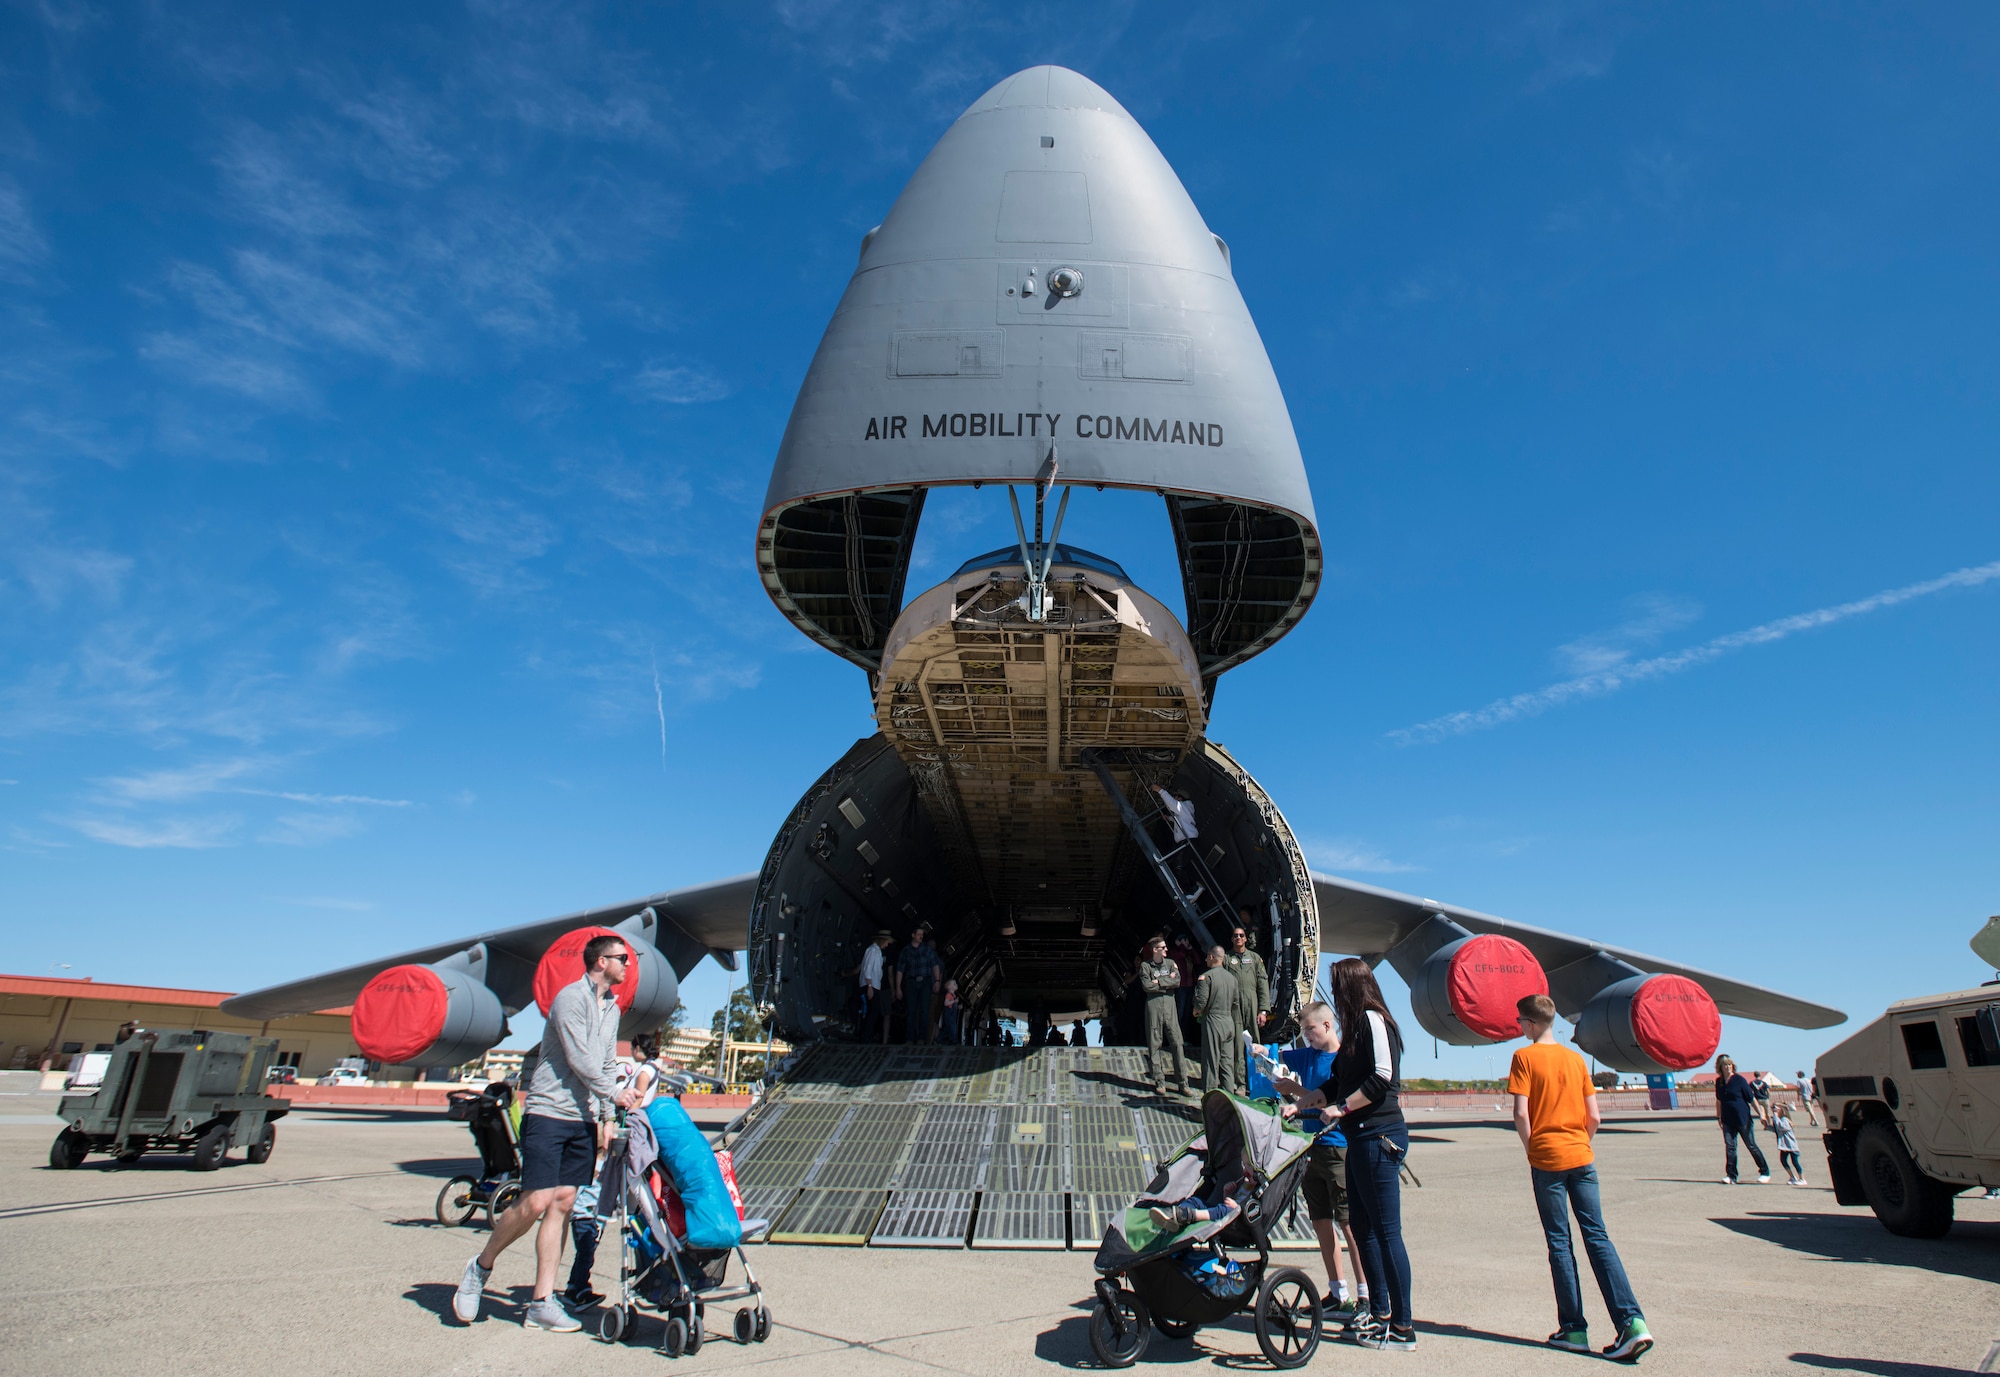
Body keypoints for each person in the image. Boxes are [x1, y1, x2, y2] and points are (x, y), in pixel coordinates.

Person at [455, 934, 640, 1331]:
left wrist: (607, 1115)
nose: (628, 964)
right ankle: (480, 1266)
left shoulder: (611, 1008)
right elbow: (579, 1059)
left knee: (562, 1204)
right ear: (599, 961)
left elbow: (607, 1062)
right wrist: (616, 1093)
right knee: (535, 1201)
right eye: (622, 958)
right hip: (549, 1111)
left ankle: (542, 1301)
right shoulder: (571, 999)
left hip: (584, 1118)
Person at [1509, 994, 1654, 1363]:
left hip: (1547, 1160)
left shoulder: (1524, 1058)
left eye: (1520, 1023)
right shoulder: (1575, 1060)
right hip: (1582, 1157)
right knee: (1598, 1236)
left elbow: (1522, 1115)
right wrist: (1580, 1144)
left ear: (1530, 1024)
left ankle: (1573, 1328)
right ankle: (1632, 1322)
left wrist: (1533, 1150)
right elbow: (1595, 1117)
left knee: (1560, 1244)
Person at [1292, 958, 1412, 1351]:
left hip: (1380, 1136)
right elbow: (1336, 1081)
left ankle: (1403, 1327)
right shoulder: (1356, 1029)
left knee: (1385, 1231)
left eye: (1337, 985)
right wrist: (1304, 1104)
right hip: (1359, 1139)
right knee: (1362, 1229)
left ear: (1352, 986)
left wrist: (1342, 1109)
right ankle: (1378, 1314)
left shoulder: (1375, 1021)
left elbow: (1382, 1077)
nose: (1334, 993)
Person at [1267, 1001, 1362, 1313]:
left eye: (1310, 1030)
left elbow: (1329, 1103)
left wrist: (1294, 1090)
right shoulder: (1307, 1054)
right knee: (1321, 1221)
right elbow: (1273, 1055)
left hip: (1338, 1148)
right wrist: (1256, 1049)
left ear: (1327, 1025)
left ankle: (1366, 1295)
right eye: (1303, 1030)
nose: (1305, 1036)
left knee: (1350, 1224)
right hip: (1311, 1148)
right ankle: (1338, 1292)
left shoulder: (1345, 1060)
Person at [1136, 935, 1190, 1096]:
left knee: (1177, 1043)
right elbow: (1146, 986)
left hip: (1169, 1006)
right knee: (1155, 1044)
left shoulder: (1170, 963)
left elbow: (1177, 982)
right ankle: (1159, 1081)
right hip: (1154, 1007)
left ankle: (1183, 1083)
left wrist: (1158, 982)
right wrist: (1167, 981)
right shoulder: (1146, 966)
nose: (1167, 949)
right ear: (1155, 950)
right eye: (1163, 947)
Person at [1192, 946, 1243, 1094]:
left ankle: (1210, 1103)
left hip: (1213, 1021)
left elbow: (1201, 1003)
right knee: (1227, 1064)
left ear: (1212, 957)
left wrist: (1196, 1010)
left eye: (1207, 956)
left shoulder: (1206, 977)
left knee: (1210, 1062)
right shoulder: (1232, 979)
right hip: (1228, 1022)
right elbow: (1235, 1004)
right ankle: (1230, 1102)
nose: (1206, 959)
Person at [1713, 1055, 1771, 1184]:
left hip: (1743, 1119)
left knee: (1751, 1145)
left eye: (1729, 1065)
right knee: (1730, 1147)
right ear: (1720, 1067)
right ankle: (1731, 1175)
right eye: (1724, 1065)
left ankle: (1764, 1171)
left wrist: (1761, 1114)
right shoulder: (1719, 1082)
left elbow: (1751, 1099)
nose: (1727, 1067)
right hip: (1728, 1119)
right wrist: (1718, 1116)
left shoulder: (1740, 1080)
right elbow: (1719, 1100)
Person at [895, 926, 942, 1045]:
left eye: (922, 934)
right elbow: (900, 970)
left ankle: (921, 1038)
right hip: (911, 982)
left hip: (925, 982)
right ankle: (909, 1038)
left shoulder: (927, 949)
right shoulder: (905, 951)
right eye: (919, 934)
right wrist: (898, 987)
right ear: (913, 935)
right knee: (911, 1010)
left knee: (924, 1010)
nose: (921, 936)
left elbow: (934, 965)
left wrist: (937, 981)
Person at [1224, 915, 1270, 1035]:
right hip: (1233, 1003)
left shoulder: (1255, 958)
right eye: (1235, 936)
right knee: (1235, 1038)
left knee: (1253, 1038)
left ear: (1245, 939)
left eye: (1241, 935)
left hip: (1251, 1002)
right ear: (1232, 939)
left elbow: (1262, 983)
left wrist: (1263, 1011)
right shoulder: (1226, 959)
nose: (1238, 938)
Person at [848, 929, 892, 1044]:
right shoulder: (872, 951)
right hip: (870, 985)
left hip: (874, 985)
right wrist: (870, 986)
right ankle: (865, 1036)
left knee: (873, 1012)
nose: (887, 945)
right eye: (887, 942)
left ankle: (866, 1035)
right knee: (872, 1011)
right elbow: (867, 969)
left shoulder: (877, 951)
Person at [1168, 932, 1199, 1037]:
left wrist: (1190, 948)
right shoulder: (1174, 952)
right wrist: (1181, 946)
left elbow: (1197, 961)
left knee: (1187, 1013)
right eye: (1182, 940)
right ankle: (1174, 1037)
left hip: (1190, 986)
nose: (1185, 942)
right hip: (1180, 986)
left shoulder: (1187, 952)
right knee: (1179, 1012)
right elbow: (1180, 956)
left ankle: (1184, 1037)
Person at [1772, 1104, 1805, 1185]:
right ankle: (1792, 1177)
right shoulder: (1780, 1119)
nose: (1774, 1110)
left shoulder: (1785, 1119)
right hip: (1784, 1146)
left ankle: (1802, 1179)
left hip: (1791, 1145)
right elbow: (1777, 1129)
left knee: (1795, 1162)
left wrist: (1775, 1117)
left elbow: (1781, 1127)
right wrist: (1767, 1126)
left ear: (1781, 1110)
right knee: (1783, 1160)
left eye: (1776, 1109)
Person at [940, 979, 962, 1046]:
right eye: (954, 984)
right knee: (952, 1027)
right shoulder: (949, 995)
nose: (956, 985)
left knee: (948, 1028)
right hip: (949, 1013)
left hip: (952, 1013)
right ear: (949, 987)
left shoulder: (954, 995)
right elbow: (946, 1003)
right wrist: (954, 1002)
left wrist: (958, 1007)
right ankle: (954, 1040)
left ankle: (940, 1039)